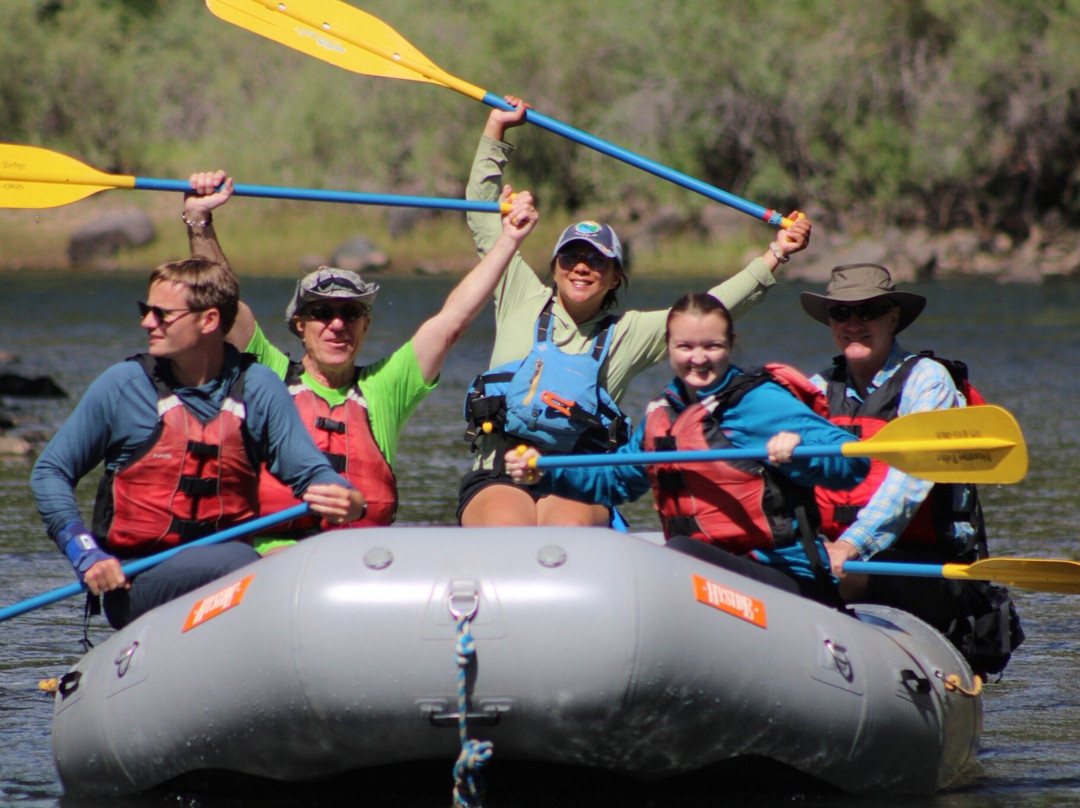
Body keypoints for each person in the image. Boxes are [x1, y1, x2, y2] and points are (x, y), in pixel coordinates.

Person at [460, 97, 814, 528]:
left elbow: (715, 308)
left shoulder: (630, 332)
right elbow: (481, 213)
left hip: (576, 480)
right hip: (500, 473)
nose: (582, 267)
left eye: (597, 261)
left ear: (614, 279)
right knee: (507, 529)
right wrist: (497, 129)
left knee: (565, 532)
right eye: (570, 257)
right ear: (554, 268)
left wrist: (777, 252)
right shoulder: (518, 291)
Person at [183, 169, 539, 552]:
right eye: (322, 312)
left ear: (365, 326)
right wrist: (200, 221)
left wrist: (509, 239)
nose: (337, 325)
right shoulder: (266, 375)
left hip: (360, 566)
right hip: (270, 563)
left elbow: (453, 320)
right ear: (300, 325)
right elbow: (223, 303)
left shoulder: (384, 387)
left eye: (350, 314)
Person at [31, 258, 366, 629]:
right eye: (146, 311)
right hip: (137, 583)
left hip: (232, 576)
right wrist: (85, 552)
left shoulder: (259, 387)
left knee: (268, 563)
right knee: (240, 565)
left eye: (162, 314)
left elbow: (312, 472)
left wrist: (342, 495)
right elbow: (50, 472)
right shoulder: (123, 386)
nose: (147, 322)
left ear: (208, 321)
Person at [505, 292, 868, 602]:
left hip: (784, 581)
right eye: (685, 346)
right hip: (709, 580)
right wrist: (545, 471)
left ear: (730, 346)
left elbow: (854, 460)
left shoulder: (760, 401)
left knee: (678, 557)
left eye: (712, 346)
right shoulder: (663, 415)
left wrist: (801, 452)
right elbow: (615, 478)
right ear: (668, 348)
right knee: (673, 559)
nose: (698, 358)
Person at [800, 263, 1023, 674]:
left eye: (868, 311)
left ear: (893, 317)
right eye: (840, 313)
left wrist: (850, 547)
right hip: (839, 559)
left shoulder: (928, 382)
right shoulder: (816, 388)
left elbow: (909, 482)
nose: (853, 323)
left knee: (828, 574)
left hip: (923, 567)